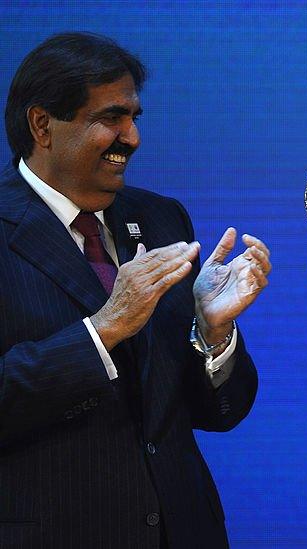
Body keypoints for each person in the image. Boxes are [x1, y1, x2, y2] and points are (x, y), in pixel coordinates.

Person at [0, 32, 270, 548]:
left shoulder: (161, 218)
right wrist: (101, 333)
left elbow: (217, 414)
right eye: (110, 118)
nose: (133, 137)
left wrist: (212, 332)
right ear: (43, 125)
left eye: (134, 118)